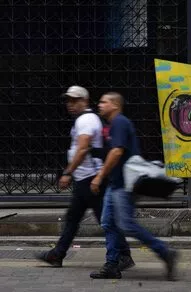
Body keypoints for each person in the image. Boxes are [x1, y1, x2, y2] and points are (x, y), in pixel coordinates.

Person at [36, 86, 134, 270]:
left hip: (91, 179)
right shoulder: (84, 119)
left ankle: (124, 255)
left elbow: (82, 149)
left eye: (75, 100)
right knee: (75, 218)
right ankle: (57, 254)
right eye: (68, 100)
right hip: (86, 179)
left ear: (85, 101)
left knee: (104, 220)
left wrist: (67, 173)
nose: (70, 105)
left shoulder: (87, 120)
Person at [89, 92, 178, 280]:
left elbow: (117, 151)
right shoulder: (114, 124)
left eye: (104, 102)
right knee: (108, 222)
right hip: (115, 184)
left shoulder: (120, 122)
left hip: (123, 185)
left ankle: (165, 252)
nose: (100, 105)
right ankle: (112, 264)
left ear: (114, 105)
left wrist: (99, 176)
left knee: (126, 225)